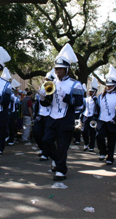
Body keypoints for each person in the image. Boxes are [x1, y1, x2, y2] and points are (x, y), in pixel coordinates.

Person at [40, 44, 84, 181]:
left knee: (63, 146)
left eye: (60, 69)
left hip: (66, 119)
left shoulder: (75, 84)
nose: (57, 71)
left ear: (67, 70)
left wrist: (67, 97)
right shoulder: (51, 83)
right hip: (52, 117)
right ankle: (57, 160)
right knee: (46, 141)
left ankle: (61, 170)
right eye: (56, 69)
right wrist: (43, 97)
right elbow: (46, 103)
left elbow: (79, 101)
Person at [96, 65, 116, 164]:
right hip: (102, 120)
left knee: (112, 141)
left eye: (110, 86)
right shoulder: (101, 96)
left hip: (113, 121)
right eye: (107, 85)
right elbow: (98, 108)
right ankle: (103, 151)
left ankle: (110, 158)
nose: (108, 87)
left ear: (115, 86)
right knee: (99, 136)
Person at [32, 70, 55, 161]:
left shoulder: (54, 89)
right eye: (45, 79)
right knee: (36, 133)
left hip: (49, 115)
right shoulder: (42, 88)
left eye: (48, 79)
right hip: (40, 115)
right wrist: (35, 114)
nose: (46, 81)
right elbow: (37, 103)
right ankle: (42, 148)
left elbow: (49, 102)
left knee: (47, 136)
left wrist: (46, 96)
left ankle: (45, 153)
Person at [81, 78, 99, 152]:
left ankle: (91, 146)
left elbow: (98, 108)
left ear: (95, 92)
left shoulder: (96, 100)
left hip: (93, 117)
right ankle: (86, 143)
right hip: (86, 116)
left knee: (92, 132)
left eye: (92, 92)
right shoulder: (86, 99)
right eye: (89, 91)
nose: (90, 93)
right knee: (84, 131)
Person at [7, 79, 21, 146]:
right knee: (11, 127)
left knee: (10, 127)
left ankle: (9, 139)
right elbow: (17, 101)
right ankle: (10, 139)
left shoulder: (11, 95)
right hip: (10, 114)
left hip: (10, 113)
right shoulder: (13, 96)